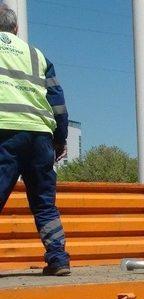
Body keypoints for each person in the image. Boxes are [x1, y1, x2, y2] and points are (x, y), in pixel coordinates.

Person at [0, 5, 70, 275]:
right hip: (40, 134)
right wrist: (60, 138)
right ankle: (58, 258)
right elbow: (57, 101)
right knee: (44, 203)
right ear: (16, 29)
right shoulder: (36, 55)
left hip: (5, 130)